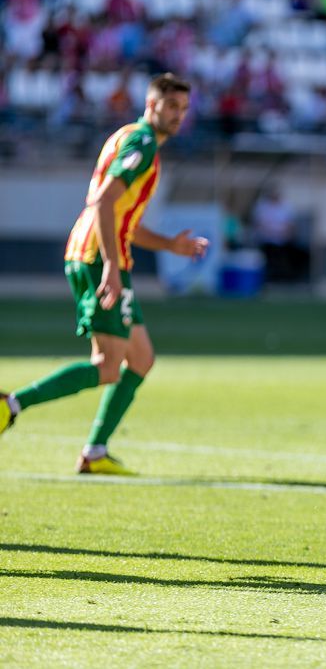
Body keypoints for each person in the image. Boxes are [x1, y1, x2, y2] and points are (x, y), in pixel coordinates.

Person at [0, 73, 208, 474]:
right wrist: (112, 264)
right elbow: (103, 201)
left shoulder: (130, 137)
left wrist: (169, 245)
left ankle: (95, 451)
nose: (178, 116)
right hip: (98, 256)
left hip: (100, 253)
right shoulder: (143, 144)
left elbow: (120, 216)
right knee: (108, 365)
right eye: (171, 107)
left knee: (141, 359)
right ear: (151, 105)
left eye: (183, 109)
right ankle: (11, 404)